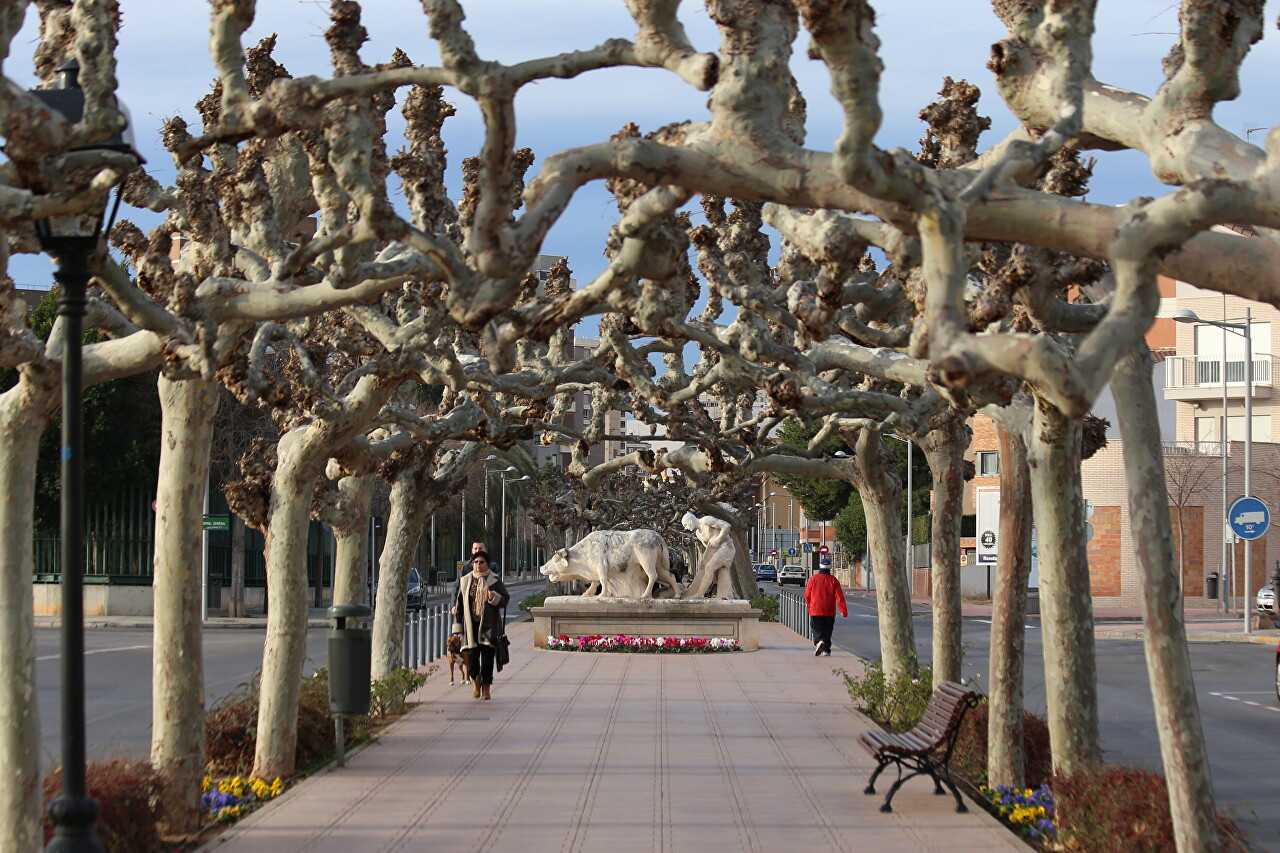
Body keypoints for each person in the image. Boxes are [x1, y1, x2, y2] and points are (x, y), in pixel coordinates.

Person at [451, 550, 509, 699]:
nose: (478, 565)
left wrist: (494, 597)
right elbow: (459, 605)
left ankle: (486, 688)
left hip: (489, 626)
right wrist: (457, 627)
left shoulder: (495, 580)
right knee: (472, 658)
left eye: (481, 562)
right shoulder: (465, 581)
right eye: (475, 562)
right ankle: (476, 682)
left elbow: (505, 599)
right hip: (471, 626)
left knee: (488, 658)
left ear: (487, 564)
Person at [804, 563, 847, 656]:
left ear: (820, 567)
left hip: (816, 608)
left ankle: (819, 641)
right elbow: (839, 597)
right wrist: (843, 610)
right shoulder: (833, 580)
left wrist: (809, 605)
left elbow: (807, 594)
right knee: (828, 629)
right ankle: (826, 650)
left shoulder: (813, 579)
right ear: (830, 568)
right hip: (829, 610)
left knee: (816, 627)